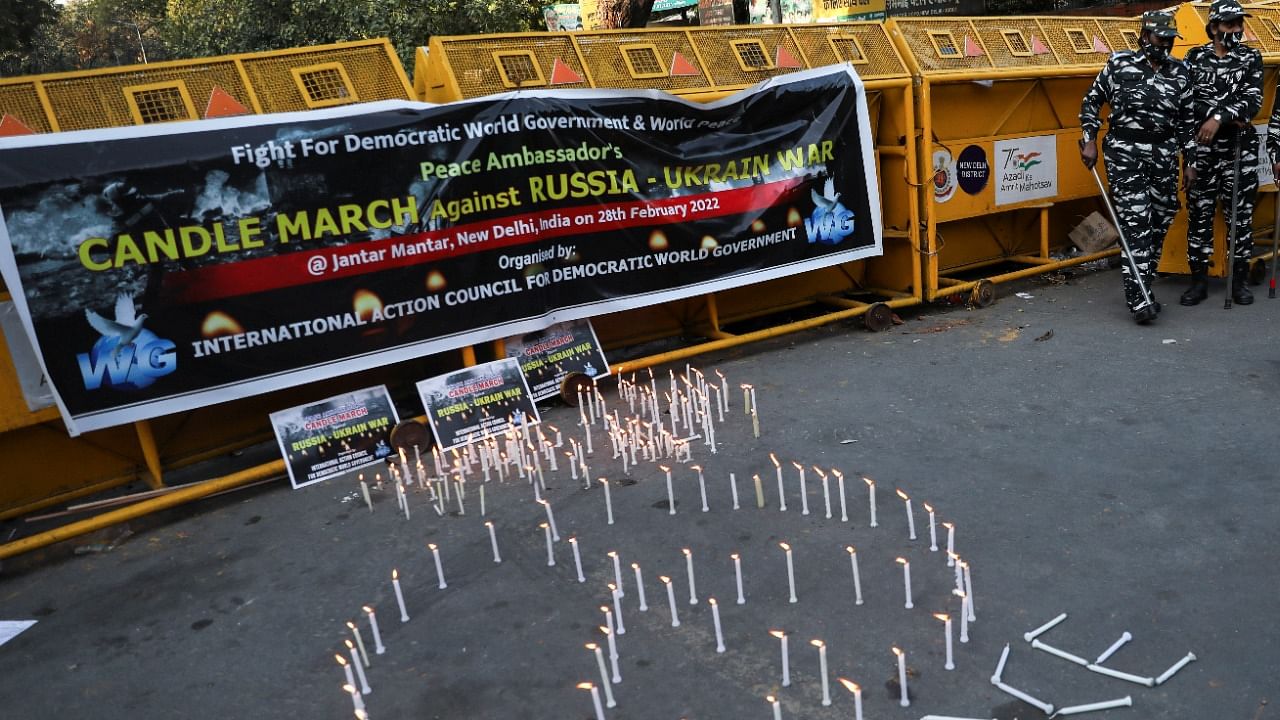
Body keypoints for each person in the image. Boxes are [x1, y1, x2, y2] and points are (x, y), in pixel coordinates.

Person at [1079, 10, 1196, 324]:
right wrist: (1089, 138)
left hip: (1164, 155)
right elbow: (1091, 102)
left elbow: (1187, 122)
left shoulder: (1180, 72)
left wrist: (1190, 162)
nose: (1166, 45)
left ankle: (1143, 280)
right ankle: (1140, 299)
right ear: (1144, 36)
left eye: (1171, 40)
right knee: (1136, 224)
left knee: (1160, 220)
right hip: (1125, 155)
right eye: (1161, 38)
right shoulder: (1119, 65)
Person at [1182, 0, 1262, 307]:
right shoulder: (1194, 57)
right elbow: (1187, 102)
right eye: (1230, 25)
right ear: (1214, 27)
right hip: (1202, 151)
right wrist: (1223, 114)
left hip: (1239, 150)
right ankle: (1198, 283)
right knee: (1200, 215)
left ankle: (1238, 282)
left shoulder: (1250, 57)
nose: (1237, 30)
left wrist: (1217, 118)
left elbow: (1252, 101)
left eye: (1239, 24)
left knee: (1239, 218)